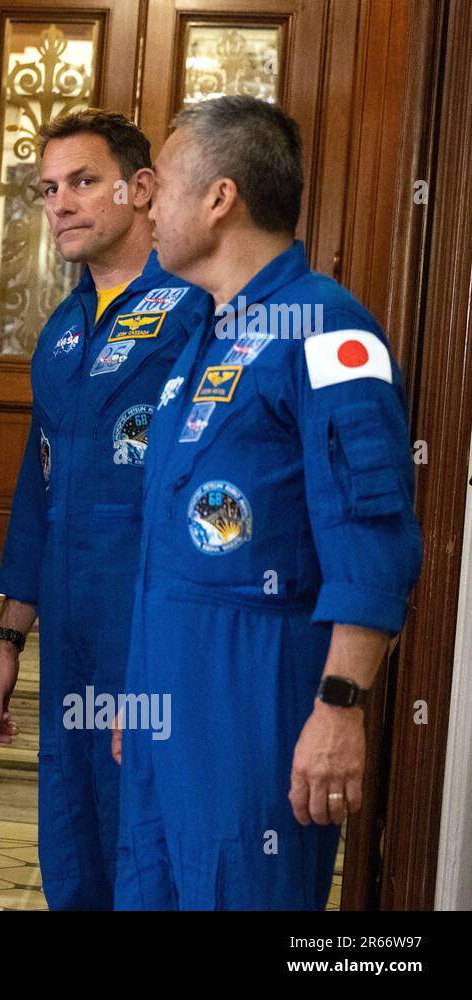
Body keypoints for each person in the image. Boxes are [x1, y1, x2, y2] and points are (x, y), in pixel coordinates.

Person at [115, 95, 422, 909]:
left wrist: (340, 709)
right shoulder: (203, 335)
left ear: (221, 198)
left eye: (162, 183)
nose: (144, 202)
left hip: (252, 705)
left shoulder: (328, 330)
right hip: (164, 706)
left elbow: (373, 538)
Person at [0, 110, 210, 910]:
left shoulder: (196, 314)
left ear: (141, 189)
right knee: (72, 831)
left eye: (81, 182)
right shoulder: (62, 333)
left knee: (146, 842)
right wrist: (7, 638)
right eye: (48, 189)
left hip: (150, 631)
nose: (61, 203)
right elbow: (37, 499)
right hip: (69, 633)